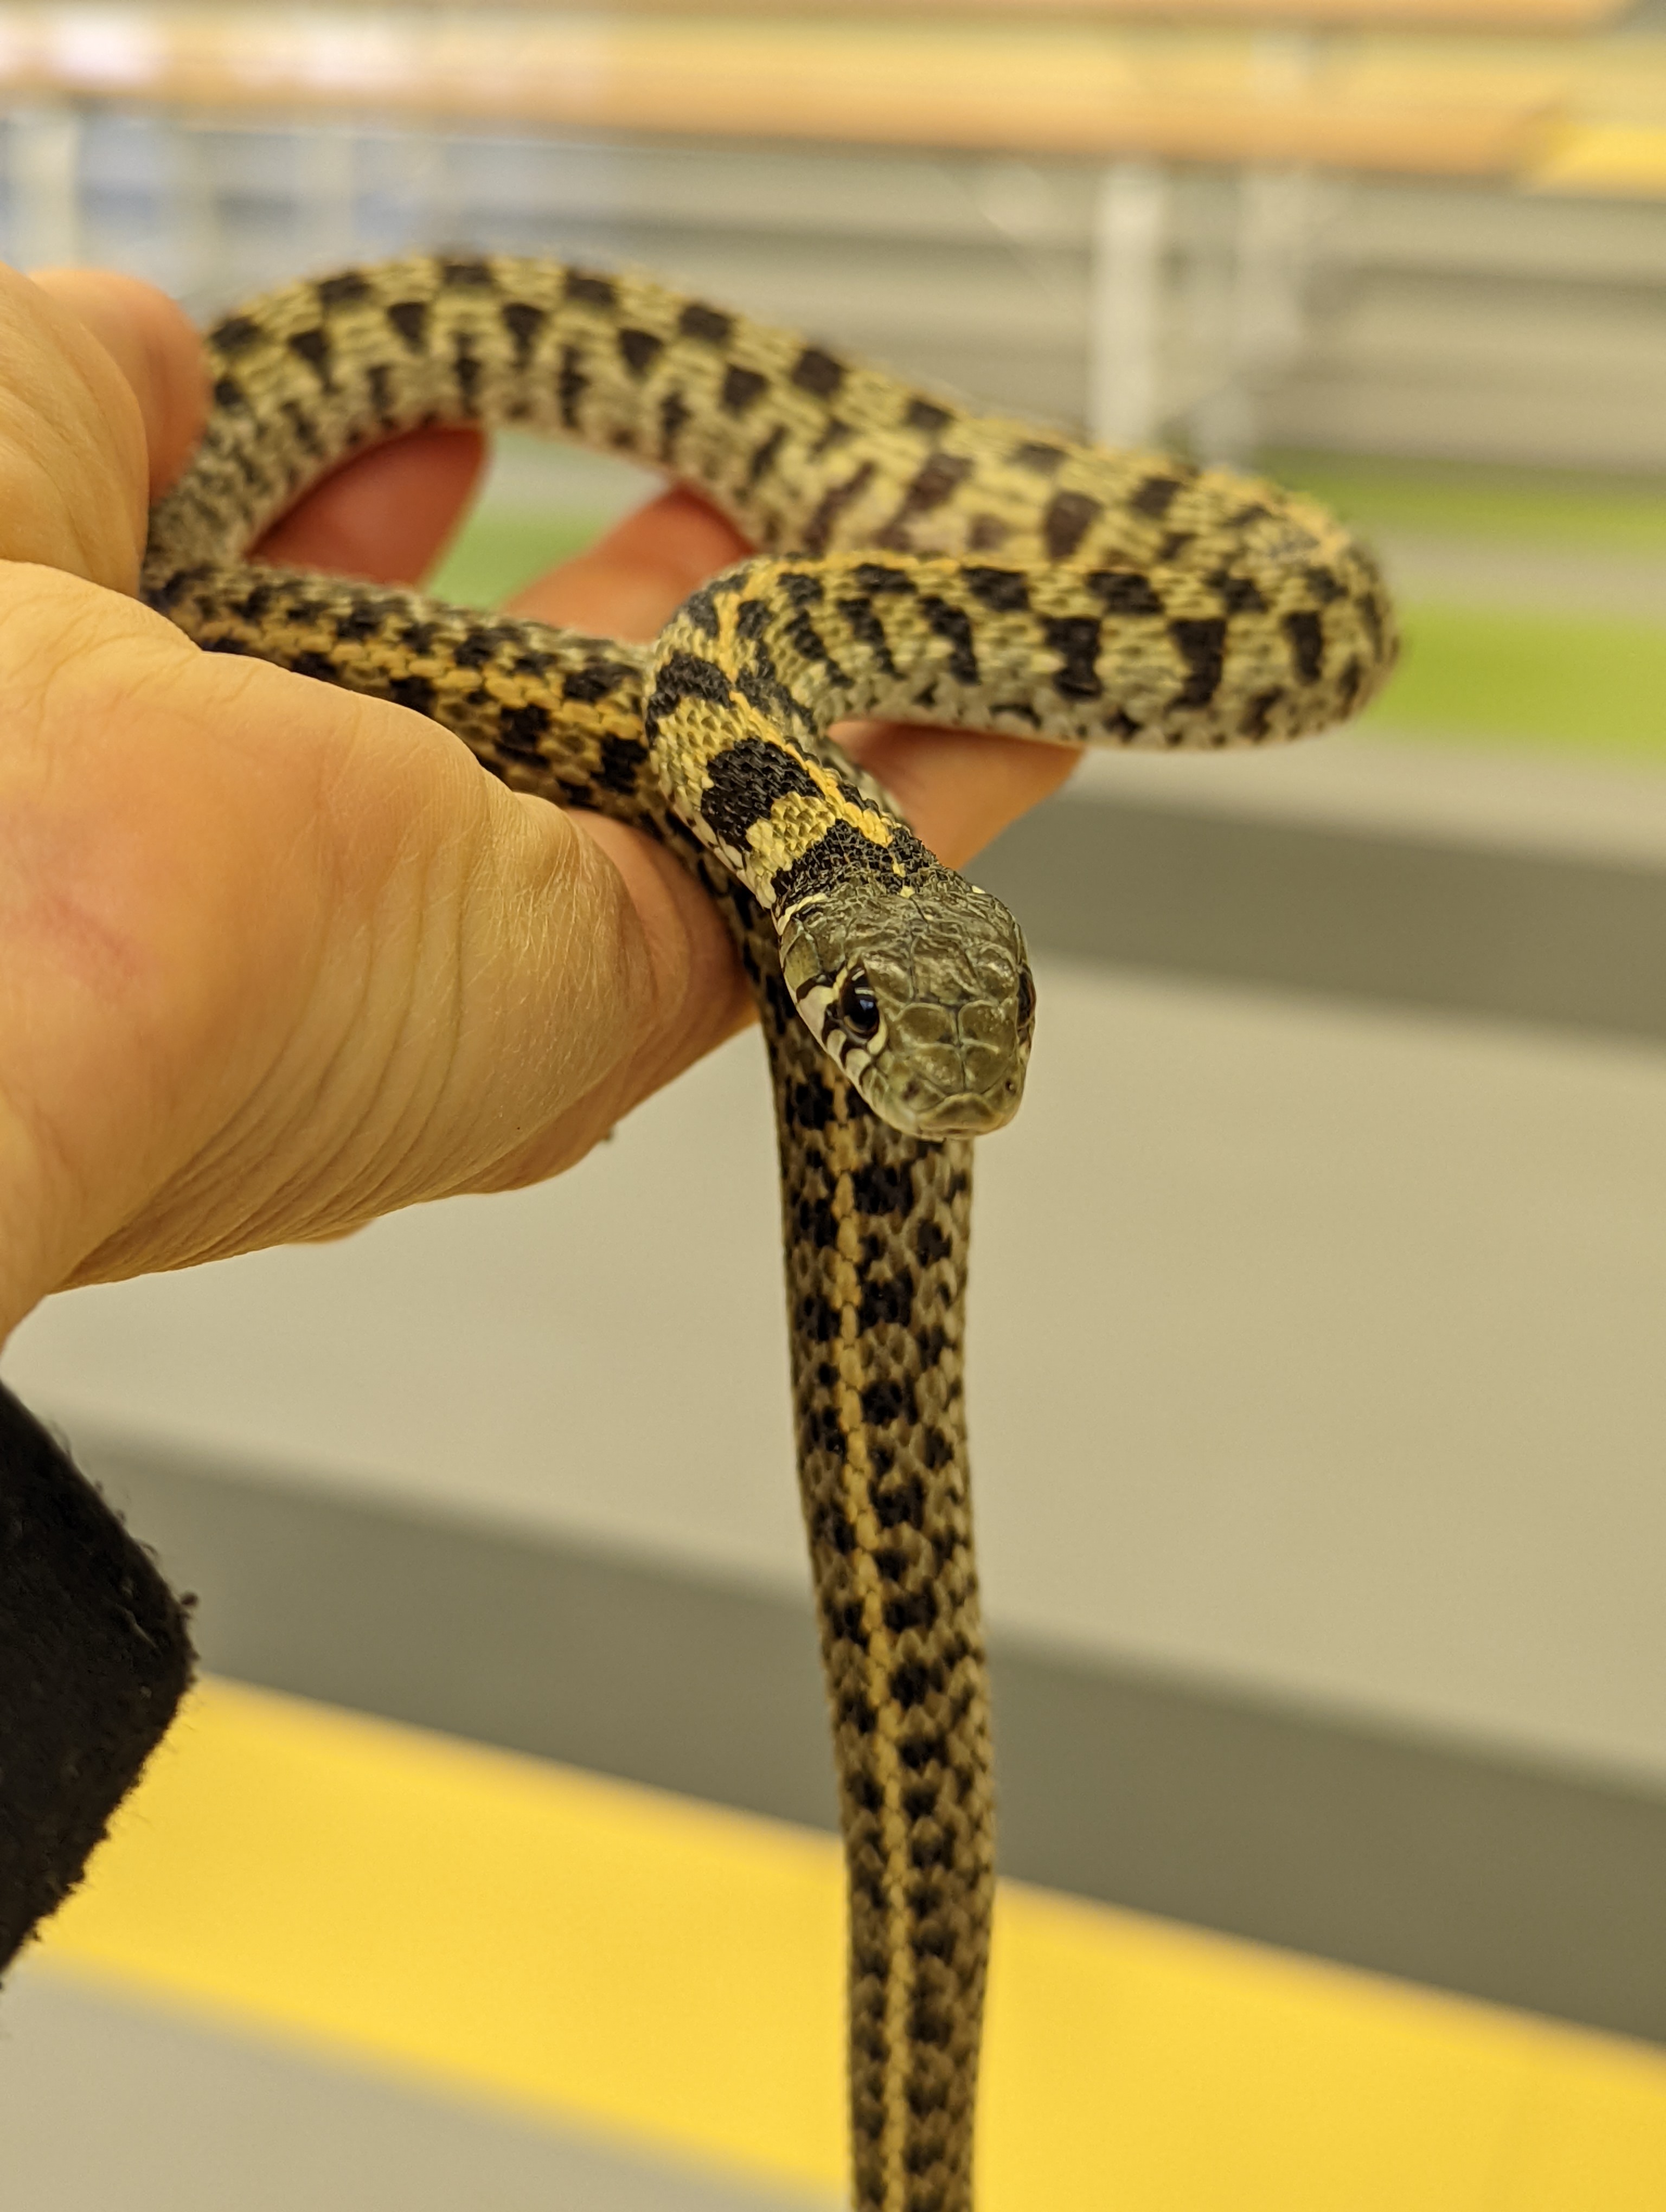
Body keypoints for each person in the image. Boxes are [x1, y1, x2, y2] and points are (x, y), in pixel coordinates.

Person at [0, 264, 1077, 1970]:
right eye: (870, 1023)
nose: (951, 1091)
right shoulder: (737, 722)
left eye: (989, 1020)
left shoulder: (797, 790)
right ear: (815, 956)